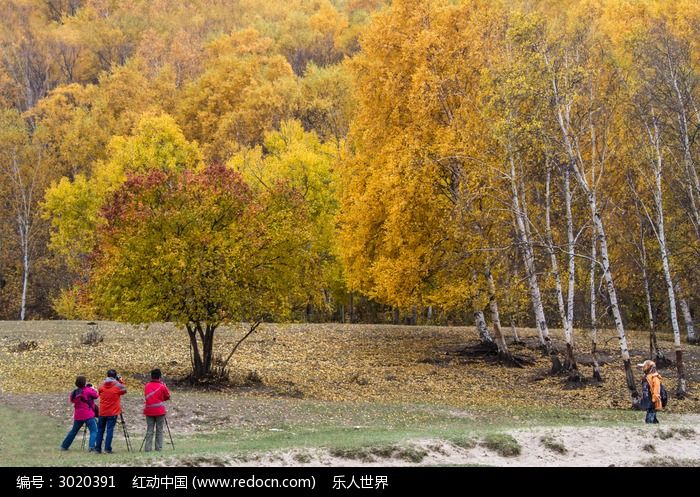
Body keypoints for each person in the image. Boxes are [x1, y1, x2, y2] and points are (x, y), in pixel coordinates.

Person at [60, 375, 99, 451]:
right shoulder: (88, 390)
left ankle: (64, 446)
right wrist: (93, 389)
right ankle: (91, 446)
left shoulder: (74, 392)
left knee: (74, 431)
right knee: (94, 430)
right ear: (84, 383)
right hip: (88, 414)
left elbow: (71, 400)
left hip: (78, 415)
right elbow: (96, 396)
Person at [95, 369, 127, 454]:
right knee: (109, 430)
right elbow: (124, 390)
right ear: (115, 376)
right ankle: (107, 448)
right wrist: (120, 381)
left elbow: (99, 391)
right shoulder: (117, 385)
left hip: (102, 411)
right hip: (112, 412)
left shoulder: (102, 384)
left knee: (100, 430)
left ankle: (97, 448)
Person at [143, 368, 171, 452]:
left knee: (149, 430)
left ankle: (147, 448)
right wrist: (162, 398)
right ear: (160, 376)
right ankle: (158, 448)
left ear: (151, 376)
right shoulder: (162, 386)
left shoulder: (147, 386)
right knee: (159, 430)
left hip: (149, 410)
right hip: (160, 411)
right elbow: (168, 396)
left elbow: (147, 397)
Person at [639, 360, 662, 424]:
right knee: (651, 413)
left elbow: (657, 389)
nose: (642, 368)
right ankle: (655, 423)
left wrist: (655, 398)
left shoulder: (654, 377)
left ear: (648, 367)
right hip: (648, 399)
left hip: (652, 399)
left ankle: (650, 424)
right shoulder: (646, 377)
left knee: (650, 415)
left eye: (643, 367)